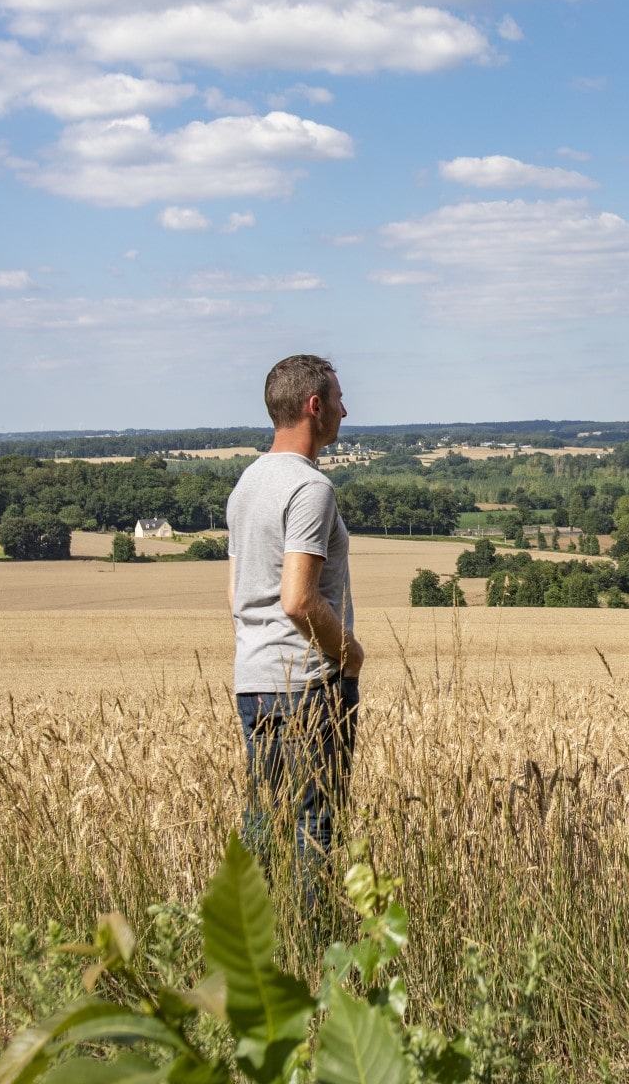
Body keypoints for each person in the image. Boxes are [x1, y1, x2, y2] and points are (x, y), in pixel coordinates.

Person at [225, 354, 363, 901]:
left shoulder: (246, 485)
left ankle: (242, 950)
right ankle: (317, 956)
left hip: (253, 681)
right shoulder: (311, 489)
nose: (344, 410)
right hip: (307, 686)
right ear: (314, 406)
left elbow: (235, 594)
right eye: (337, 399)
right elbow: (299, 599)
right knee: (316, 832)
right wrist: (349, 656)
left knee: (262, 826)